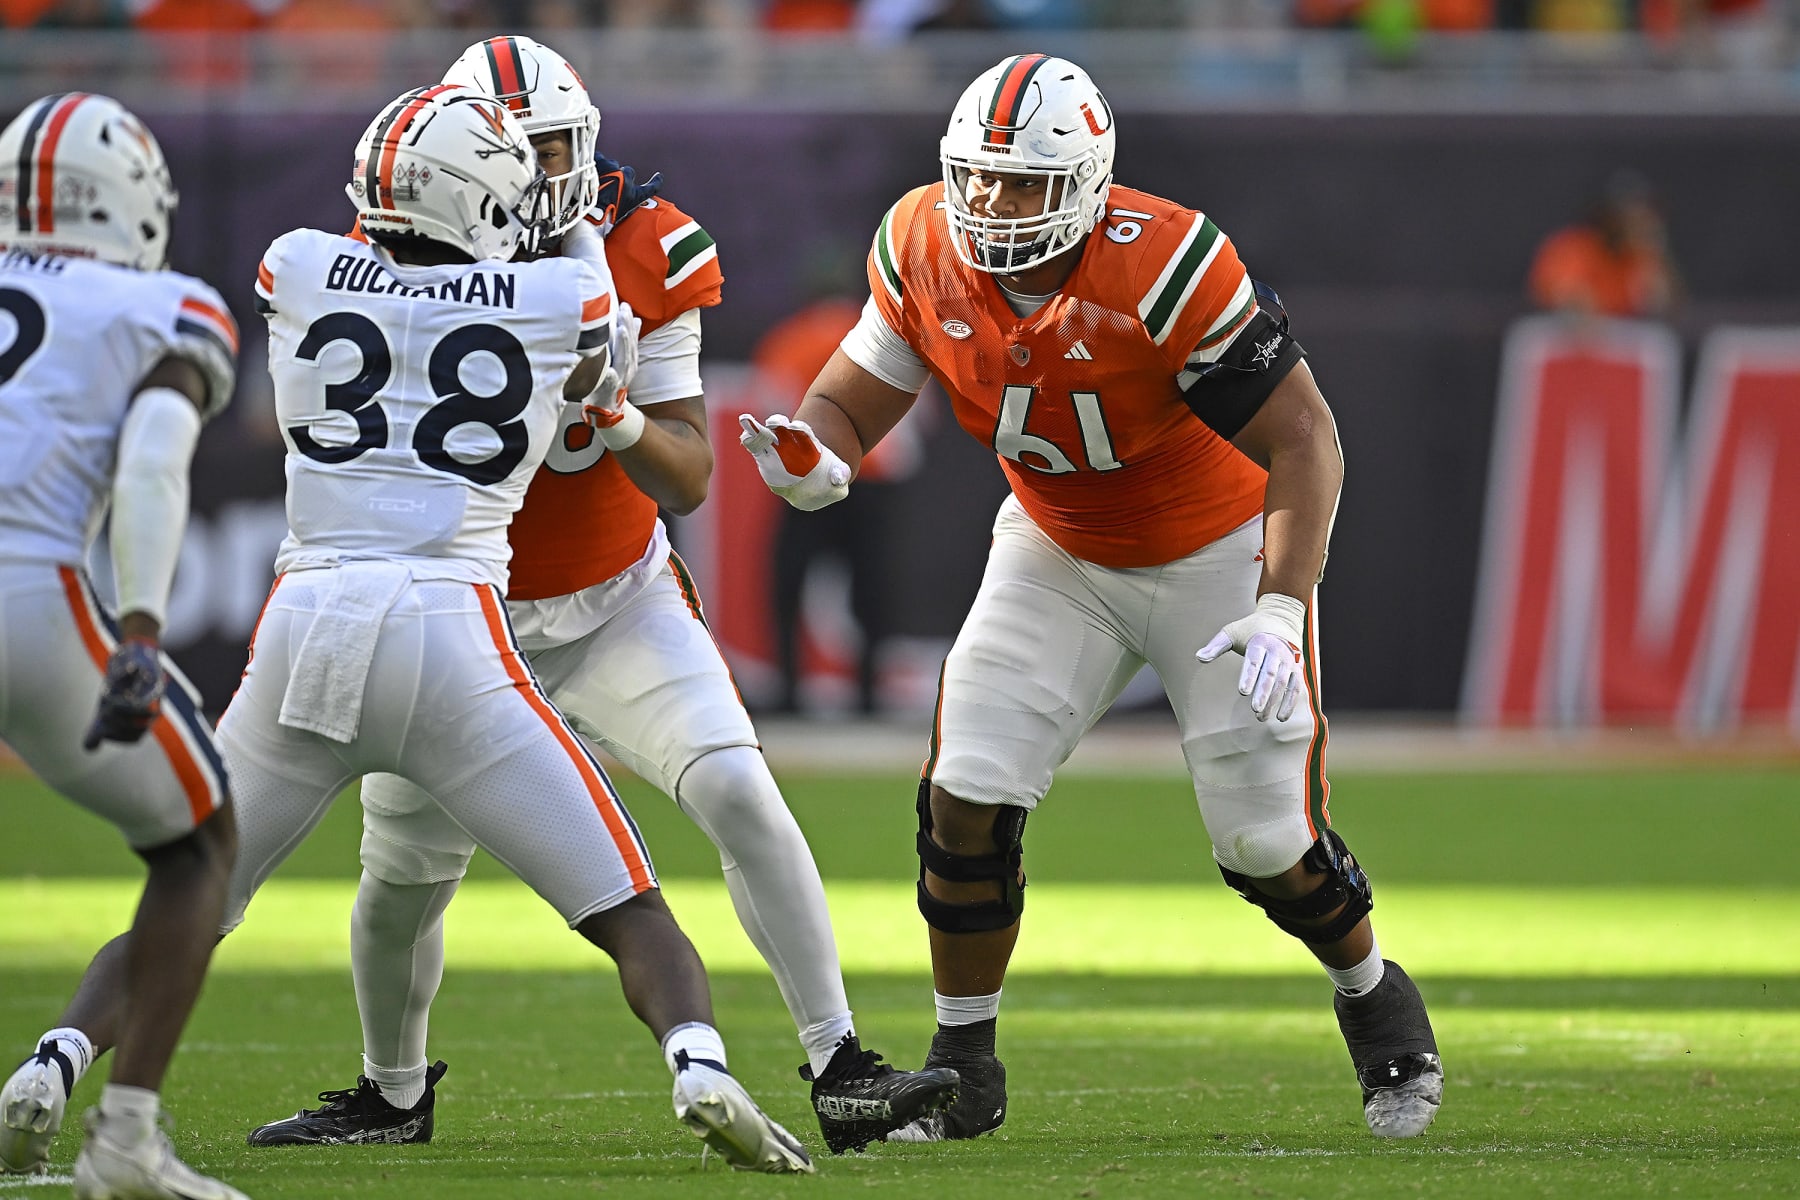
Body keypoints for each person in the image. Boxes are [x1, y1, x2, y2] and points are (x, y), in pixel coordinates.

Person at [12, 83, 816, 1175]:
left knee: (198, 883)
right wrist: (561, 211)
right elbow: (579, 276)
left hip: (305, 630)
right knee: (628, 907)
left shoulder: (296, 263)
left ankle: (56, 1058)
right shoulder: (555, 298)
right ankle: (699, 1063)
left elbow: (350, 263)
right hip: (451, 634)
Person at [235, 36, 957, 1159]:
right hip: (456, 622)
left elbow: (687, 469)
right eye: (516, 146)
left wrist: (614, 413)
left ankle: (842, 1064)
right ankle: (390, 1092)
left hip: (611, 599)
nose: (540, 165)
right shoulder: (380, 251)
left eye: (558, 142)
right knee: (400, 881)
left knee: (738, 790)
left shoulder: (648, 247)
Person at [740, 52, 1443, 1142]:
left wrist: (1281, 602)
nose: (990, 203)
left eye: (1021, 184)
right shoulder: (923, 239)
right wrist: (815, 455)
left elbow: (1304, 436)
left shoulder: (1166, 264)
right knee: (964, 793)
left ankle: (1371, 993)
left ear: (1087, 182)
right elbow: (848, 395)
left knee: (1267, 846)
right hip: (1059, 546)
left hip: (1215, 551)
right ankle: (962, 1060)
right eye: (977, 176)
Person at [0, 94, 247, 1198]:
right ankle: (127, 1138)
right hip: (27, 585)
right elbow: (153, 455)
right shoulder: (165, 303)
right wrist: (140, 626)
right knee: (198, 846)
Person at [1527, 169, 1680, 319]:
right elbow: (1570, 303)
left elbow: (1666, 309)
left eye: (1643, 213)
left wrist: (1652, 259)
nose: (1637, 222)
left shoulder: (1642, 255)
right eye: (1628, 215)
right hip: (1571, 338)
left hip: (1621, 336)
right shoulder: (1575, 247)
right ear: (1608, 217)